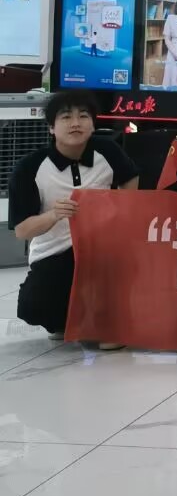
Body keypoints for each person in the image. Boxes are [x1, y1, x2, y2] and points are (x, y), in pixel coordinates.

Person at [7, 91, 138, 340]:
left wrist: (119, 208)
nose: (76, 123)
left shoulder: (108, 152)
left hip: (102, 249)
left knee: (115, 277)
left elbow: (131, 178)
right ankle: (64, 321)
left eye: (83, 116)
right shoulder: (30, 168)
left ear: (93, 124)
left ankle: (110, 324)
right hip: (54, 252)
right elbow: (22, 230)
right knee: (33, 307)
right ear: (51, 127)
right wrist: (54, 215)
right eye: (66, 117)